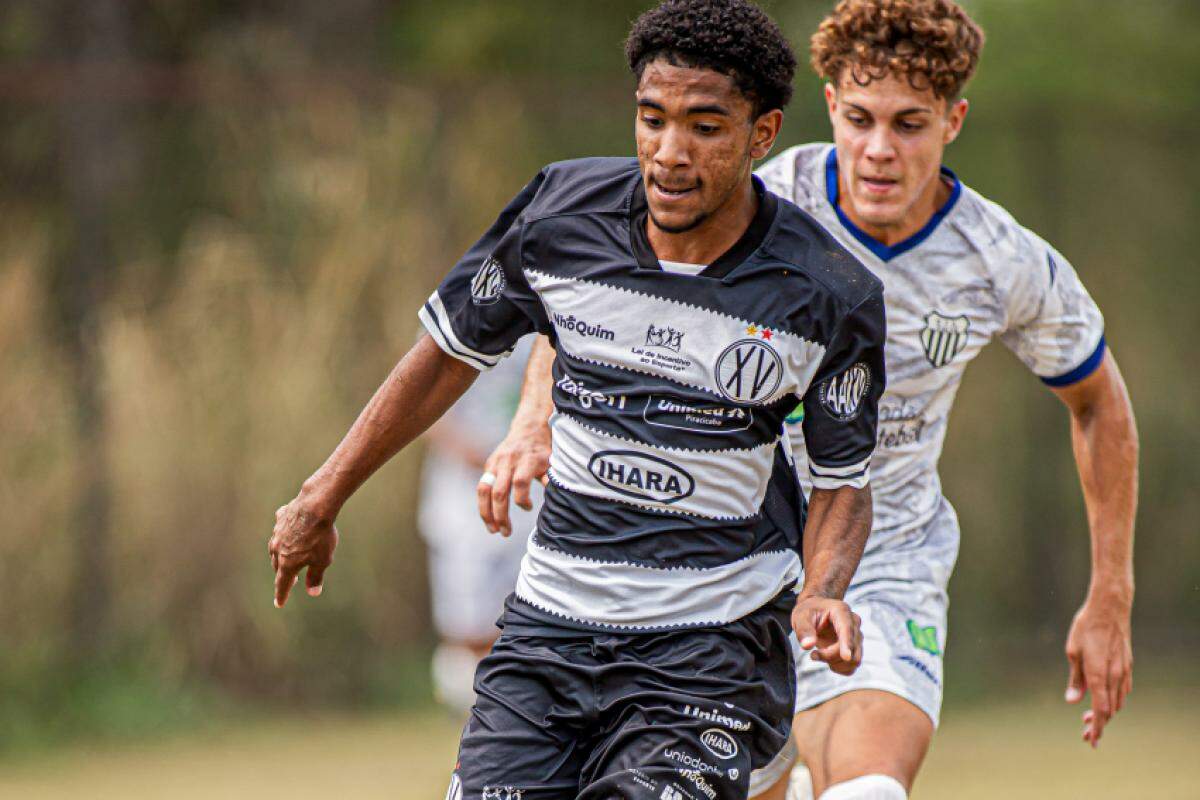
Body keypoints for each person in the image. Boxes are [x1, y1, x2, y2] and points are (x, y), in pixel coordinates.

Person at [480, 2, 1139, 799]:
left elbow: (1100, 405)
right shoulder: (759, 195)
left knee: (868, 791)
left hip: (883, 553)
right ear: (829, 106)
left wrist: (1110, 596)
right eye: (860, 119)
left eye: (910, 124)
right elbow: (604, 289)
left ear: (954, 121)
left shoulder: (1001, 261)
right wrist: (532, 418)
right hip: (718, 564)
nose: (879, 150)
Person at [268, 2, 890, 798]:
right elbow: (445, 359)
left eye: (705, 128)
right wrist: (322, 495)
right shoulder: (560, 216)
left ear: (761, 134)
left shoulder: (829, 294)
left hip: (708, 651)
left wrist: (824, 594)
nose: (669, 153)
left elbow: (842, 481)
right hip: (547, 633)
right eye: (652, 118)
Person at [419, 335, 541, 713]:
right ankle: (473, 726)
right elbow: (423, 409)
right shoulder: (454, 322)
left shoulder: (546, 327)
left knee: (527, 621)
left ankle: (516, 718)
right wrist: (475, 454)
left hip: (530, 492)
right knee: (467, 631)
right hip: (463, 496)